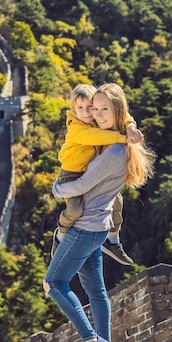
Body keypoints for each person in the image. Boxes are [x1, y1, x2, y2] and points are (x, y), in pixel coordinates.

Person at [44, 83, 156, 342]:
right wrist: (127, 126)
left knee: (54, 282)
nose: (98, 113)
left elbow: (82, 184)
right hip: (98, 227)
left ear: (116, 111)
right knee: (95, 291)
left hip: (85, 227)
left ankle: (93, 341)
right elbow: (120, 120)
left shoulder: (115, 152)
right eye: (96, 108)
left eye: (105, 109)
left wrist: (57, 189)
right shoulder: (107, 139)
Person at [52, 84, 144, 265]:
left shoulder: (94, 119)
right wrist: (123, 137)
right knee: (75, 210)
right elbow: (97, 137)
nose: (88, 113)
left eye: (91, 107)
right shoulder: (77, 128)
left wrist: (131, 126)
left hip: (86, 170)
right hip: (70, 175)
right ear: (73, 109)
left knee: (116, 200)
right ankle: (60, 233)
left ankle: (113, 240)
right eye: (81, 108)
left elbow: (122, 114)